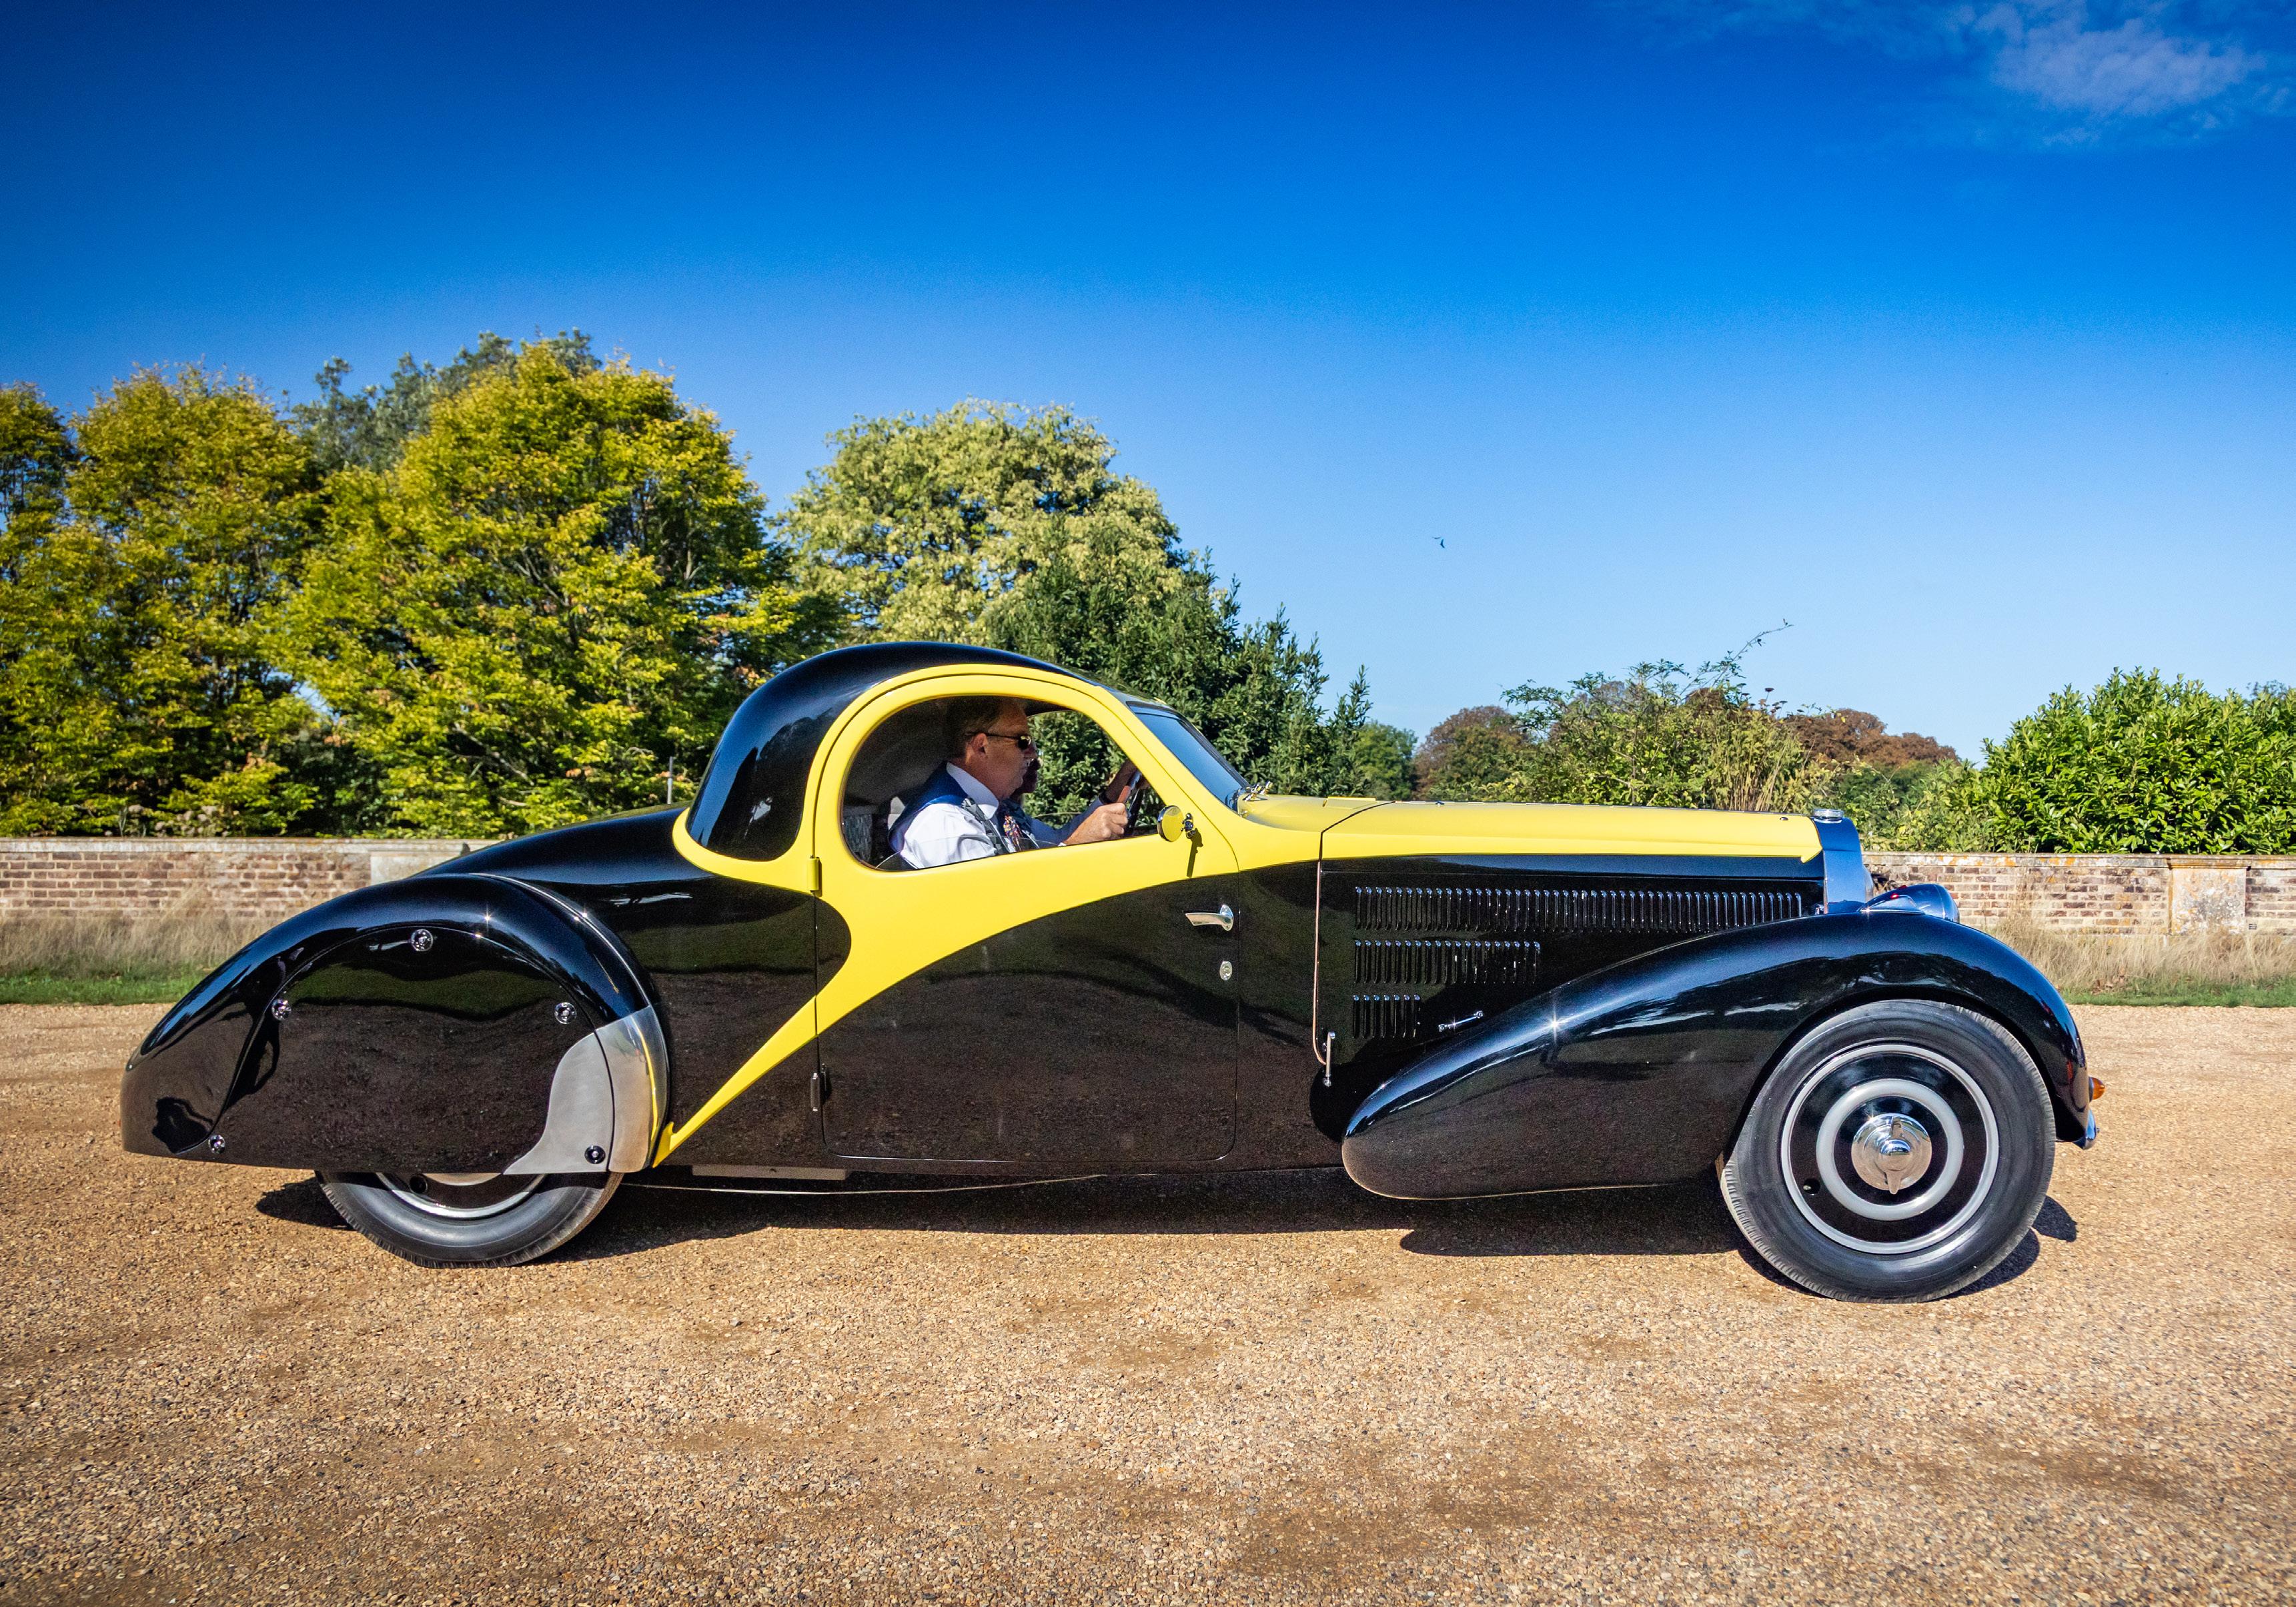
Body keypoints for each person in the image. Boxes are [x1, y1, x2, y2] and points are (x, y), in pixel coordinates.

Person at [892, 696, 1137, 869]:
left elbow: (1055, 840)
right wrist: (1072, 847)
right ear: (981, 746)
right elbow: (1001, 909)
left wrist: (1116, 789)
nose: (1032, 753)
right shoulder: (946, 824)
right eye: (1022, 741)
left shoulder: (996, 809)